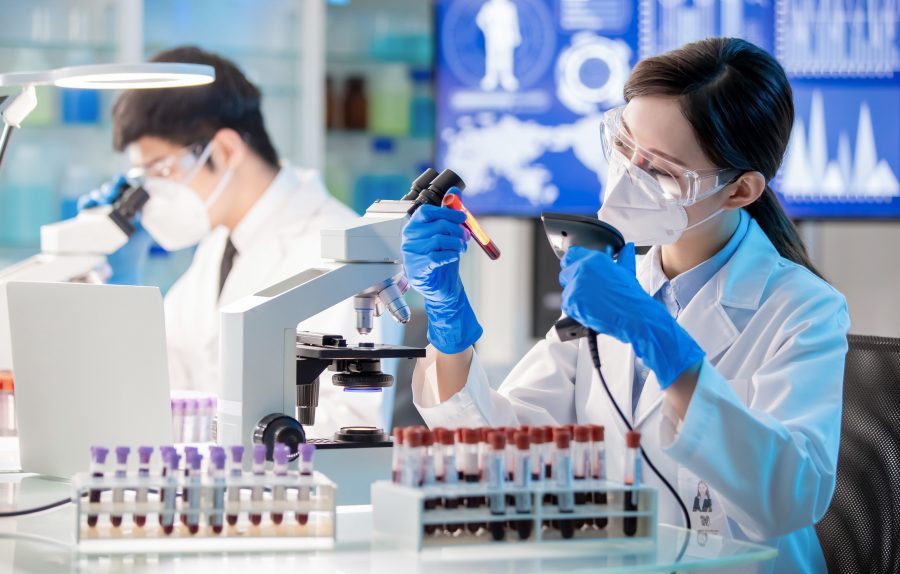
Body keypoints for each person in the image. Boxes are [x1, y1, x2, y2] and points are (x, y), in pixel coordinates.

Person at [401, 37, 849, 573]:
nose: (628, 174)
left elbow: (787, 498)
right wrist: (450, 330)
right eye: (625, 146)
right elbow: (502, 457)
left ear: (740, 190)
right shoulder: (615, 282)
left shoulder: (803, 309)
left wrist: (663, 342)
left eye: (660, 171)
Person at [81, 47, 383, 438]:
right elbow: (167, 385)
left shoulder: (344, 249)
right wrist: (118, 289)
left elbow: (352, 425)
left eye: (161, 169)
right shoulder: (219, 246)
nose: (152, 193)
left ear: (224, 150)